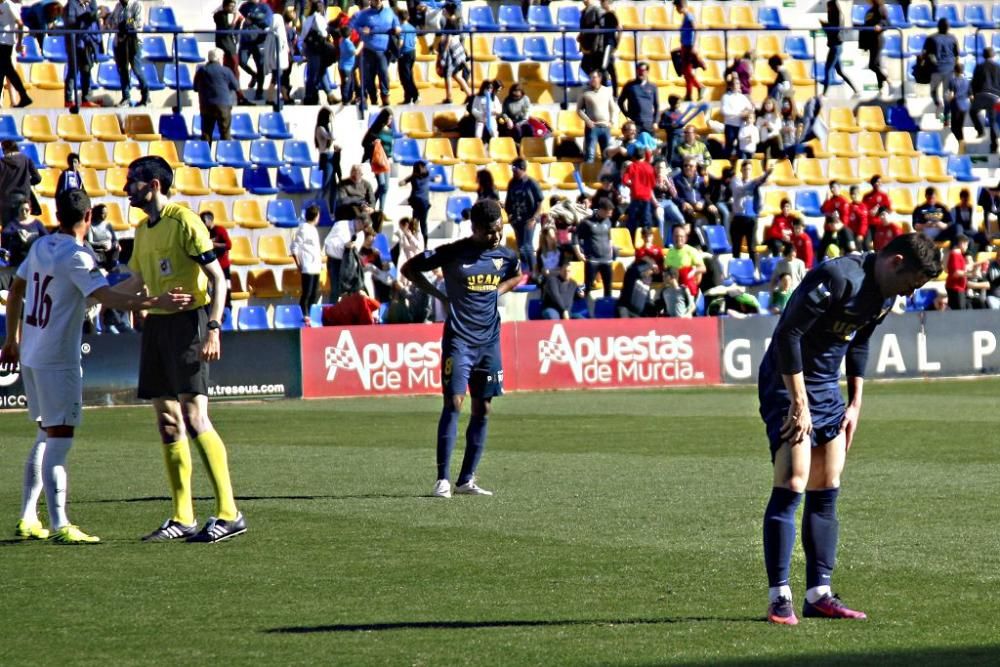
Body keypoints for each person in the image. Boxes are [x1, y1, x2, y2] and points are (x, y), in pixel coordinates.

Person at [758, 233, 940, 625]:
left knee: (826, 487)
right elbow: (789, 333)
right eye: (912, 282)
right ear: (894, 262)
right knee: (793, 482)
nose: (910, 293)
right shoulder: (838, 276)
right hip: (787, 383)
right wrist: (797, 401)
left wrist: (856, 401)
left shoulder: (886, 296)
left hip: (827, 388)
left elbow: (859, 343)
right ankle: (779, 597)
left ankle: (819, 594)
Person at [2, 189, 192, 544]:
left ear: (57, 214)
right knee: (59, 438)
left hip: (30, 353)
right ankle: (61, 525)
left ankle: (28, 516)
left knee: (45, 433)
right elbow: (106, 297)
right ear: (88, 218)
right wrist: (155, 300)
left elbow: (15, 289)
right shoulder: (79, 255)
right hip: (58, 358)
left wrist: (10, 340)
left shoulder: (42, 246)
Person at [114, 156, 246, 543]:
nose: (126, 188)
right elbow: (136, 285)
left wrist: (215, 328)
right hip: (157, 325)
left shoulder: (184, 221)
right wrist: (92, 294)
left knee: (193, 414)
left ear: (153, 185)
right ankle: (182, 516)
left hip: (189, 322)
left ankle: (229, 512)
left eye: (133, 181)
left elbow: (218, 279)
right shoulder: (141, 230)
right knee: (167, 421)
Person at [401, 199, 521, 499]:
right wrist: (438, 294)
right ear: (475, 228)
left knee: (484, 407)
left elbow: (518, 274)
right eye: (491, 231)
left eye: (500, 229)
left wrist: (497, 291)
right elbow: (409, 268)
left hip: (490, 342)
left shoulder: (504, 256)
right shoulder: (453, 252)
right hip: (460, 340)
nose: (496, 236)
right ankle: (442, 479)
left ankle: (466, 480)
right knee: (454, 403)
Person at [351, 0, 401, 107]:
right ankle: (373, 98)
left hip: (383, 50)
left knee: (383, 73)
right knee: (369, 77)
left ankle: (385, 96)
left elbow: (396, 21)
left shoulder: (389, 12)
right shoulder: (364, 14)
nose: (378, 1)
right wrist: (361, 29)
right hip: (368, 50)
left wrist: (397, 27)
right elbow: (354, 25)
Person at [105, 0, 149, 107]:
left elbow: (139, 22)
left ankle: (145, 97)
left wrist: (126, 22)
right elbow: (111, 21)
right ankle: (126, 97)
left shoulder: (137, 4)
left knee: (137, 69)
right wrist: (107, 19)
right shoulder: (118, 6)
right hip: (120, 42)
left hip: (133, 42)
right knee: (122, 70)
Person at [504, 157, 544, 274]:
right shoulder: (512, 183)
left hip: (529, 220)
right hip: (517, 220)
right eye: (512, 169)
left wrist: (535, 218)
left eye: (515, 169)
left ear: (523, 169)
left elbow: (540, 201)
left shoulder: (531, 183)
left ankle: (534, 272)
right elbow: (508, 202)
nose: (513, 171)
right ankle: (526, 272)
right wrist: (510, 216)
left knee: (527, 247)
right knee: (521, 248)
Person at [730, 160, 773, 267]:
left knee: (752, 247)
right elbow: (741, 190)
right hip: (738, 218)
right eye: (744, 169)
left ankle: (754, 270)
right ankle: (737, 270)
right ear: (741, 170)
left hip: (751, 219)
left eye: (749, 169)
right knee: (736, 247)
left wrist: (757, 210)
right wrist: (763, 176)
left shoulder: (756, 185)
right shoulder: (736, 181)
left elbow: (761, 202)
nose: (746, 171)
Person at [194, 49, 240, 144]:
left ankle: (206, 155)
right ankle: (226, 155)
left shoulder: (201, 70)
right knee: (225, 133)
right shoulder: (225, 71)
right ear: (219, 58)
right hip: (223, 105)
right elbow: (236, 86)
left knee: (206, 133)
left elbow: (195, 87)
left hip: (206, 104)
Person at [63, 0, 101, 108]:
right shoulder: (72, 4)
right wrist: (85, 17)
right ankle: (68, 100)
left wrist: (95, 15)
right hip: (74, 43)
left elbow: (94, 19)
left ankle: (86, 99)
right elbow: (71, 22)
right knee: (73, 71)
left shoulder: (90, 4)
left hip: (86, 43)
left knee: (86, 70)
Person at [574, 198, 615, 297]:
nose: (610, 215)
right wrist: (578, 252)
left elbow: (609, 236)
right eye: (608, 212)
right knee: (587, 288)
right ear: (601, 210)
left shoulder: (608, 221)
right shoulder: (587, 222)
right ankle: (584, 308)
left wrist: (611, 248)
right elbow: (575, 236)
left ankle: (606, 310)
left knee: (608, 289)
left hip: (607, 260)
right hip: (593, 260)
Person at [291, 204, 323, 323]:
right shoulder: (303, 229)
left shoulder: (313, 229)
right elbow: (294, 248)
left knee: (314, 293)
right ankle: (303, 315)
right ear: (316, 216)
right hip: (308, 266)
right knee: (307, 293)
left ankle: (310, 315)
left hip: (315, 266)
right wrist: (299, 264)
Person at [323, 216, 367, 303]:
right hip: (335, 260)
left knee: (349, 290)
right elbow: (329, 243)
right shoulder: (341, 225)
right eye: (363, 226)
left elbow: (356, 250)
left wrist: (352, 248)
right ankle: (333, 312)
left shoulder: (361, 234)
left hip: (349, 263)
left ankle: (347, 312)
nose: (362, 229)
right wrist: (344, 246)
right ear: (358, 221)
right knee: (335, 289)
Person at [578, 69, 617, 162]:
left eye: (594, 77)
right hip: (592, 127)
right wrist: (587, 121)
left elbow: (613, 108)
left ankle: (605, 175)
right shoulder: (585, 92)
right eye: (590, 78)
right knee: (590, 155)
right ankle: (587, 175)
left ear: (599, 78)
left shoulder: (607, 91)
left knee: (607, 155)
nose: (591, 79)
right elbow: (579, 110)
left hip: (605, 127)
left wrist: (612, 121)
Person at [923, 18, 959, 117]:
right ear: (948, 27)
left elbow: (925, 53)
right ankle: (946, 118)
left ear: (938, 26)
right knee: (946, 94)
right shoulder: (953, 38)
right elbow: (956, 55)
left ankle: (937, 103)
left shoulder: (931, 38)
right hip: (949, 69)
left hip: (936, 69)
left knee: (933, 91)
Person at [821, 0, 857, 96]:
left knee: (828, 69)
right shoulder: (836, 18)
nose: (827, 9)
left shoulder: (836, 18)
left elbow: (833, 32)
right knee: (840, 71)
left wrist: (824, 25)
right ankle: (856, 90)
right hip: (837, 46)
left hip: (835, 47)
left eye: (828, 7)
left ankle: (824, 94)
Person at [361, 107, 394, 212]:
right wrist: (374, 144)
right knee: (382, 184)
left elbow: (390, 145)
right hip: (377, 159)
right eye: (389, 118)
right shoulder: (375, 129)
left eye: (391, 119)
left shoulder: (389, 130)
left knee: (386, 187)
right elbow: (364, 143)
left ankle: (380, 210)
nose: (390, 121)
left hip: (386, 160)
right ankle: (371, 204)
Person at [0, 0, 32, 108]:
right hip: (1, 42)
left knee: (7, 69)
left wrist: (19, 43)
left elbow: (20, 24)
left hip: (5, 42)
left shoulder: (8, 5)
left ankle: (24, 96)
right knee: (5, 70)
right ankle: (24, 96)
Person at [0, 140, 40, 223]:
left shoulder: (2, 162)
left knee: (7, 230)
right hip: (23, 200)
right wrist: (27, 182)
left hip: (5, 201)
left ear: (5, 149)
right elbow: (37, 178)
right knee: (22, 228)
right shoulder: (26, 159)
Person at [436, 8, 470, 104]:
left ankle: (449, 97)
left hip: (451, 53)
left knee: (448, 75)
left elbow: (449, 38)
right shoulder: (455, 20)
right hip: (457, 49)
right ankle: (470, 94)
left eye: (445, 10)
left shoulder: (450, 22)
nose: (443, 12)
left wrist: (443, 53)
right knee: (455, 75)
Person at [200, 210, 232, 312]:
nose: (202, 223)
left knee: (226, 288)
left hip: (224, 266)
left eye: (203, 221)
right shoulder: (205, 232)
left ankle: (227, 309)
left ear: (210, 220)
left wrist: (213, 244)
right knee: (214, 290)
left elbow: (228, 245)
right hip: (213, 266)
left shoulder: (220, 230)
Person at [971, 47, 1000, 152]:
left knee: (973, 111)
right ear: (993, 55)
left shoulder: (979, 66)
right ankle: (994, 145)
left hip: (982, 95)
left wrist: (974, 95)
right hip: (996, 98)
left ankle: (980, 130)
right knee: (993, 121)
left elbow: (974, 83)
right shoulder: (998, 67)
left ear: (983, 56)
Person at [618, 61, 659, 136]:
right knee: (635, 146)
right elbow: (620, 101)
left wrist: (655, 122)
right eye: (639, 70)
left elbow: (656, 106)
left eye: (643, 70)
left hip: (649, 123)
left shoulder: (653, 87)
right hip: (635, 123)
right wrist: (626, 114)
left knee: (651, 145)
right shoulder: (630, 85)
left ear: (647, 72)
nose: (640, 73)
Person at [621, 150, 656, 236]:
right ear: (643, 157)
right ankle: (647, 241)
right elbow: (653, 183)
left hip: (636, 197)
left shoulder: (632, 166)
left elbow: (625, 180)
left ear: (633, 157)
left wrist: (632, 186)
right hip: (647, 197)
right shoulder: (649, 167)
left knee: (632, 220)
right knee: (646, 221)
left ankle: (631, 240)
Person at [315, 106, 342, 215]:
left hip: (331, 156)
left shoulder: (324, 127)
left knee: (333, 186)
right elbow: (333, 136)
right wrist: (332, 124)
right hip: (326, 157)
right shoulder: (320, 128)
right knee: (326, 185)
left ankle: (332, 210)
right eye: (330, 117)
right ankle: (316, 207)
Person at [674, 0, 701, 101]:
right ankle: (689, 94)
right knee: (686, 71)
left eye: (677, 7)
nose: (676, 10)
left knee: (687, 71)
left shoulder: (689, 16)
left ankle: (699, 87)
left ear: (681, 6)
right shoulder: (685, 17)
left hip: (689, 46)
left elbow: (696, 29)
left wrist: (694, 45)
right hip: (685, 46)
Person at [859, 0, 888, 97]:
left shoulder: (880, 8)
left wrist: (880, 26)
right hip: (871, 40)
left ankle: (887, 79)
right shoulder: (869, 10)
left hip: (878, 39)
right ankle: (881, 88)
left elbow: (887, 22)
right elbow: (867, 23)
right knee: (877, 65)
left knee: (872, 65)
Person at [399, 160, 430, 244]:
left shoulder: (414, 177)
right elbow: (437, 178)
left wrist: (404, 181)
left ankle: (413, 240)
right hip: (423, 203)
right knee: (423, 223)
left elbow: (401, 183)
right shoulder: (426, 175)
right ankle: (424, 243)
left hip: (417, 201)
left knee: (415, 221)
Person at [397, 8, 418, 104]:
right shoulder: (412, 27)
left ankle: (409, 97)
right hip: (412, 52)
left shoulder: (401, 28)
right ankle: (415, 95)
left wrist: (396, 51)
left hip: (404, 54)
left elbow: (400, 42)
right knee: (409, 75)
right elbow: (414, 40)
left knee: (404, 77)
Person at [946, 62, 971, 145]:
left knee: (954, 128)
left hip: (956, 106)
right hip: (965, 106)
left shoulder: (952, 81)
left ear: (955, 71)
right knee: (960, 127)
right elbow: (971, 96)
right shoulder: (967, 81)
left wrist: (947, 102)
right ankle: (961, 143)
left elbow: (951, 95)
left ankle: (961, 142)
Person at [846, 185, 871, 251]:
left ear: (859, 194)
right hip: (852, 233)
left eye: (855, 194)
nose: (853, 196)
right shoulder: (848, 206)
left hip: (861, 233)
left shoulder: (863, 206)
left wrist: (861, 234)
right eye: (852, 194)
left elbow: (864, 222)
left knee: (865, 247)